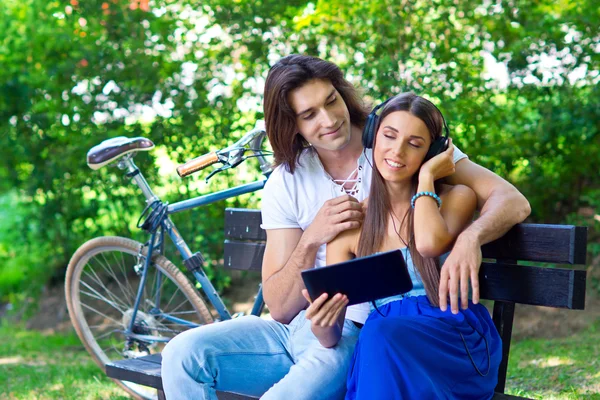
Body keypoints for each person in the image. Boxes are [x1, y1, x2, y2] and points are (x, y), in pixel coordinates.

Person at [161, 54, 529, 399]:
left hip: (359, 332)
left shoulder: (392, 143)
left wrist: (471, 238)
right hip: (309, 326)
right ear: (292, 126)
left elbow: (511, 200)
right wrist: (312, 238)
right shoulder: (286, 182)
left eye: (331, 101)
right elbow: (279, 306)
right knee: (182, 354)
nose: (329, 119)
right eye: (309, 114)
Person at [303, 92, 502, 399]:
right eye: (389, 136)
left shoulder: (456, 198)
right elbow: (331, 337)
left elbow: (427, 243)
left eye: (415, 144)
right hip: (385, 346)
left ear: (431, 153)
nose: (397, 151)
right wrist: (321, 324)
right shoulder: (351, 226)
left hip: (451, 337)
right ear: (372, 137)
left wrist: (425, 179)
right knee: (377, 335)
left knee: (380, 334)